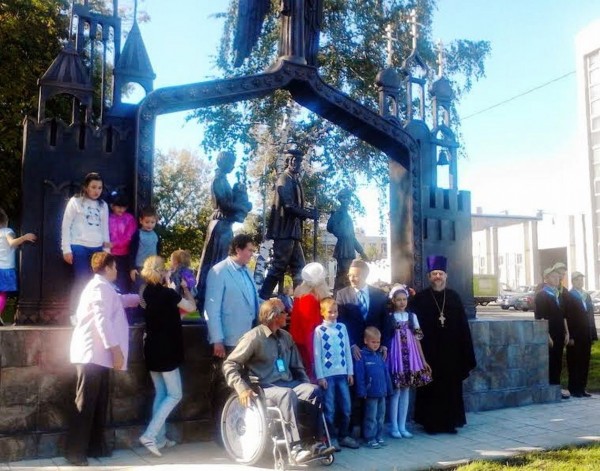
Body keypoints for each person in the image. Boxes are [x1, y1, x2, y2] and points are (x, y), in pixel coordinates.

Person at [223, 299, 335, 464]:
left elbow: (298, 367)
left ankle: (315, 442)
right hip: (264, 386)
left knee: (313, 390)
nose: (287, 313)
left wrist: (306, 384)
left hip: (287, 383)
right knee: (287, 394)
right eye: (284, 312)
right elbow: (230, 364)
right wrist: (241, 388)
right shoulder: (254, 337)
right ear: (273, 316)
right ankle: (295, 448)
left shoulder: (286, 337)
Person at [65, 252, 139, 466]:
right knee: (86, 403)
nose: (117, 271)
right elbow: (102, 320)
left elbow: (120, 301)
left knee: (98, 402)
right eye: (115, 267)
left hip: (99, 355)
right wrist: (115, 350)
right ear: (107, 267)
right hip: (92, 354)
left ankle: (95, 446)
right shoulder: (99, 287)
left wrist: (141, 296)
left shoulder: (105, 288)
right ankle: (75, 452)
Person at [409, 255, 476, 435]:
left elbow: (463, 326)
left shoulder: (454, 297)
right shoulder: (420, 299)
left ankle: (450, 422)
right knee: (430, 389)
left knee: (451, 388)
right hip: (429, 352)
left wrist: (466, 351)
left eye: (440, 273)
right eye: (434, 274)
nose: (437, 277)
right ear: (429, 277)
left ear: (446, 276)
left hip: (451, 353)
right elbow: (413, 327)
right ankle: (430, 423)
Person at [138, 256, 196, 457]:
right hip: (167, 350)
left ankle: (160, 438)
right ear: (162, 272)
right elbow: (191, 308)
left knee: (161, 393)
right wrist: (185, 288)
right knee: (175, 395)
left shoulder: (145, 292)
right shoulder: (168, 293)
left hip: (151, 348)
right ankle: (150, 435)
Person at [259, 148, 318, 299]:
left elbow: (296, 205)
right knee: (278, 267)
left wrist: (308, 212)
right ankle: (261, 300)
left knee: (300, 269)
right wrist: (309, 214)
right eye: (292, 160)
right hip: (284, 232)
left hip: (293, 232)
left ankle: (301, 302)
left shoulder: (295, 180)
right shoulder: (284, 179)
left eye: (298, 160)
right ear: (287, 161)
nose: (296, 163)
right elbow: (289, 206)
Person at [196, 151, 252, 311]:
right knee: (214, 263)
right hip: (219, 225)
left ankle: (213, 297)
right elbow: (224, 204)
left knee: (219, 261)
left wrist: (239, 193)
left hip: (224, 225)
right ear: (224, 162)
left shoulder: (225, 180)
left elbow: (229, 201)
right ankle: (205, 298)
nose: (233, 166)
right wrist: (242, 206)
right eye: (231, 162)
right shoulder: (218, 179)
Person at [61, 172, 111, 316]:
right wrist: (66, 249)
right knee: (81, 280)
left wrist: (107, 251)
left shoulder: (103, 205)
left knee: (97, 282)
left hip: (98, 248)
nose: (96, 191)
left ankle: (95, 314)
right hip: (79, 246)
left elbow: (105, 228)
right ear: (86, 187)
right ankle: (75, 314)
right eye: (93, 187)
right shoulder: (75, 202)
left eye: (99, 188)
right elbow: (66, 225)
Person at [386, 284, 431, 439]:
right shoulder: (390, 317)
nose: (402, 302)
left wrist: (422, 360)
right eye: (398, 300)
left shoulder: (412, 317)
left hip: (410, 356)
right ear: (393, 300)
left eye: (404, 299)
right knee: (396, 391)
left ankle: (402, 425)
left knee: (406, 391)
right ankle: (394, 426)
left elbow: (418, 338)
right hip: (396, 356)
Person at [313, 297, 359, 451]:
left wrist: (350, 372)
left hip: (343, 374)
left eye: (335, 311)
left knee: (346, 407)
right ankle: (330, 438)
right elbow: (317, 354)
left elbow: (346, 350)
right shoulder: (320, 330)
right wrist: (320, 376)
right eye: (330, 312)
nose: (333, 315)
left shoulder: (342, 328)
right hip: (328, 376)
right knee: (330, 408)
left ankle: (344, 435)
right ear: (322, 313)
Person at [335, 259, 389, 360]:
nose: (351, 279)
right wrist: (351, 344)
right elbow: (340, 323)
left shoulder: (379, 294)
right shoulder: (342, 295)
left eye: (355, 275)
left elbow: (386, 321)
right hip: (354, 351)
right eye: (349, 275)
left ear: (365, 276)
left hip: (376, 350)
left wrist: (384, 345)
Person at [289, 262, 330, 381]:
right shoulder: (309, 298)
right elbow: (309, 329)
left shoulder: (302, 295)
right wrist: (314, 358)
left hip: (303, 344)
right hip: (308, 347)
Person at [354, 327, 393, 449]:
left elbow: (385, 373)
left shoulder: (379, 356)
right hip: (370, 394)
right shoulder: (362, 356)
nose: (376, 345)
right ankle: (369, 438)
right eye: (373, 342)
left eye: (378, 342)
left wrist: (389, 388)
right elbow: (360, 376)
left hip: (382, 392)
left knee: (380, 416)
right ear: (366, 341)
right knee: (371, 417)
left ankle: (378, 436)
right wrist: (361, 391)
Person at [534, 267, 570, 393]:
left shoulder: (558, 295)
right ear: (546, 278)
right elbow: (540, 318)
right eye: (553, 277)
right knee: (551, 361)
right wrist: (547, 336)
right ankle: (550, 388)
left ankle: (556, 387)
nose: (557, 279)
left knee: (558, 360)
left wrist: (567, 332)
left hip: (560, 333)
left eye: (557, 277)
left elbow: (564, 315)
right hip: (550, 334)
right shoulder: (542, 295)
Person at [326, 188, 368, 290]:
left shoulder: (347, 215)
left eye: (348, 198)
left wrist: (361, 252)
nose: (347, 200)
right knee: (345, 275)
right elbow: (333, 229)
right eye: (344, 198)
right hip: (343, 248)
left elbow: (352, 237)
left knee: (345, 275)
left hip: (349, 248)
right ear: (340, 199)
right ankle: (341, 297)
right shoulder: (338, 213)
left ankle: (342, 297)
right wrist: (342, 232)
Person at [0, 208, 36, 325]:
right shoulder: (7, 231)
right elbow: (12, 242)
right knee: (3, 294)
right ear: (5, 220)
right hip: (5, 268)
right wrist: (24, 237)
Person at [128, 206, 161, 324]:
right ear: (141, 221)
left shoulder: (156, 235)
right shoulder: (137, 234)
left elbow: (158, 252)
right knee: (138, 292)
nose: (150, 225)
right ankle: (134, 318)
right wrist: (132, 268)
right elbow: (131, 252)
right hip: (140, 268)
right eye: (147, 222)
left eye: (152, 222)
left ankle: (149, 317)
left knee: (151, 293)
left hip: (152, 269)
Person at [567, 271, 597, 397]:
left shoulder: (586, 296)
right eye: (578, 280)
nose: (580, 282)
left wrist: (593, 334)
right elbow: (568, 317)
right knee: (575, 361)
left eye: (581, 279)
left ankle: (582, 388)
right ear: (573, 281)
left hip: (586, 334)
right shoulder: (569, 296)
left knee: (585, 361)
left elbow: (590, 316)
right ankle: (574, 389)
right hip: (576, 335)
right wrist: (571, 336)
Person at [108, 192, 136, 295]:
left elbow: (129, 237)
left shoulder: (129, 218)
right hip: (111, 255)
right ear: (112, 206)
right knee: (111, 280)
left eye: (124, 207)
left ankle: (125, 307)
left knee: (123, 280)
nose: (121, 209)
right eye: (118, 206)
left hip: (125, 255)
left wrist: (114, 244)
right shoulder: (108, 218)